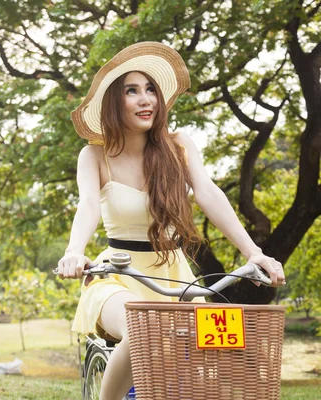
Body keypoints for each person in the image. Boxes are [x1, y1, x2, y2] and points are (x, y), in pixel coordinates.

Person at [57, 42, 286, 400]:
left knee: (200, 370)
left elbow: (209, 194)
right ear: (114, 102)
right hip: (119, 274)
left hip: (174, 274)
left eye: (151, 90)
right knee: (140, 330)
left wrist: (254, 253)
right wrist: (74, 251)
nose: (145, 99)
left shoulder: (177, 146)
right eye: (132, 91)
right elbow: (87, 206)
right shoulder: (95, 155)